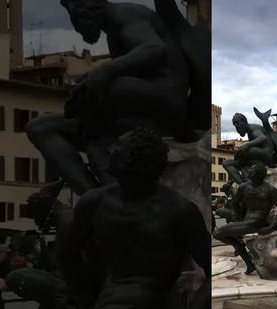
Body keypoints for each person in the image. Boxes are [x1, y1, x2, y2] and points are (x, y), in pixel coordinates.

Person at [0, 128, 210, 309]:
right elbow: (68, 254)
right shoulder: (94, 202)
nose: (110, 149)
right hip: (102, 304)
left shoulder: (179, 210)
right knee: (22, 283)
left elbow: (214, 275)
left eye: (118, 145)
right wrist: (81, 294)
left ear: (132, 159)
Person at [26, 0, 206, 195]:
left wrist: (105, 71)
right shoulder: (114, 26)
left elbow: (154, 49)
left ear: (85, 11)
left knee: (101, 89)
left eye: (75, 20)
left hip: (162, 103)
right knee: (41, 128)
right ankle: (97, 199)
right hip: (135, 111)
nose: (78, 31)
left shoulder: (125, 15)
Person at [213, 163, 277, 275]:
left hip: (258, 222)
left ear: (257, 174)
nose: (247, 173)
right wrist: (240, 216)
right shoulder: (244, 187)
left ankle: (241, 250)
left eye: (251, 171)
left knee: (218, 233)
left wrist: (270, 227)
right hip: (247, 222)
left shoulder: (270, 189)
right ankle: (246, 257)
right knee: (218, 233)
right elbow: (235, 203)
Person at [223, 108, 277, 185]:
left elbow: (262, 138)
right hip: (260, 156)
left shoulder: (253, 128)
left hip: (267, 156)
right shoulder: (250, 131)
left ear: (242, 123)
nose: (237, 130)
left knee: (244, 151)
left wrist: (247, 145)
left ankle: (246, 181)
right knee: (226, 163)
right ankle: (243, 185)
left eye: (237, 127)